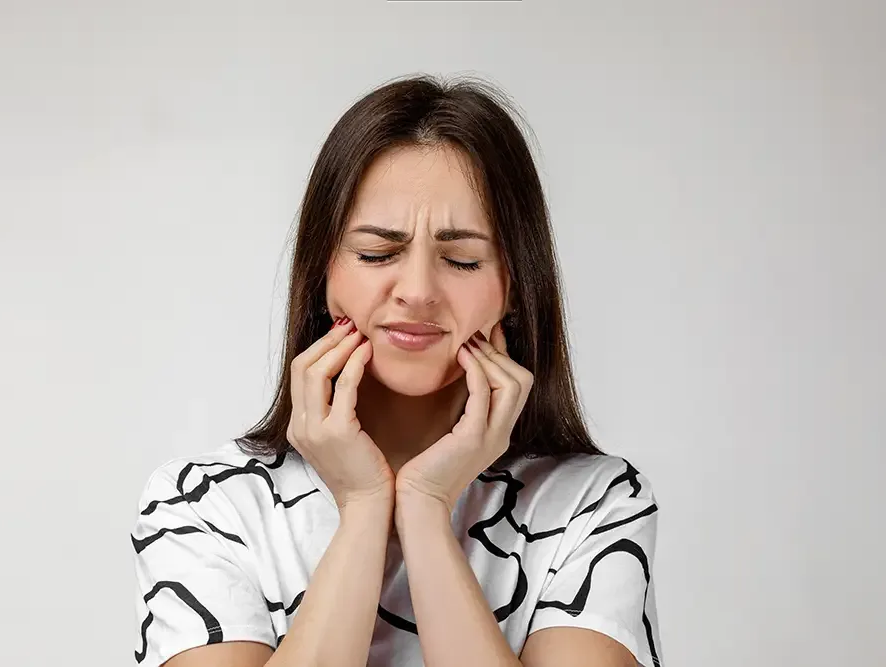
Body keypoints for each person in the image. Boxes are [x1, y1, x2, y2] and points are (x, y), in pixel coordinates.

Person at [131, 73, 663, 667]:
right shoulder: (208, 504)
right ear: (323, 276)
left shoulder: (588, 502)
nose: (417, 292)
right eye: (376, 254)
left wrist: (427, 506)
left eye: (462, 259)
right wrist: (362, 507)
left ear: (515, 287)